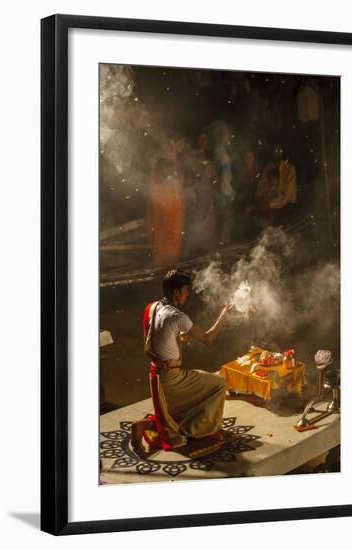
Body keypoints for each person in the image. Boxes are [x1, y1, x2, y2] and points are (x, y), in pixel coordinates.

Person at [131, 269, 232, 457]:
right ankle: (194, 430)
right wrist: (223, 317)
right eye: (186, 290)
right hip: (172, 378)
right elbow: (208, 339)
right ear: (176, 292)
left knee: (185, 403)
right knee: (219, 384)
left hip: (156, 375)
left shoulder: (152, 307)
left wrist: (179, 337)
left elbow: (158, 337)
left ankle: (144, 425)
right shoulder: (178, 316)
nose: (188, 294)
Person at [146, 134, 185, 268]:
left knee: (167, 255)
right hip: (164, 208)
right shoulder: (159, 168)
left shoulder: (171, 169)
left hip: (168, 210)